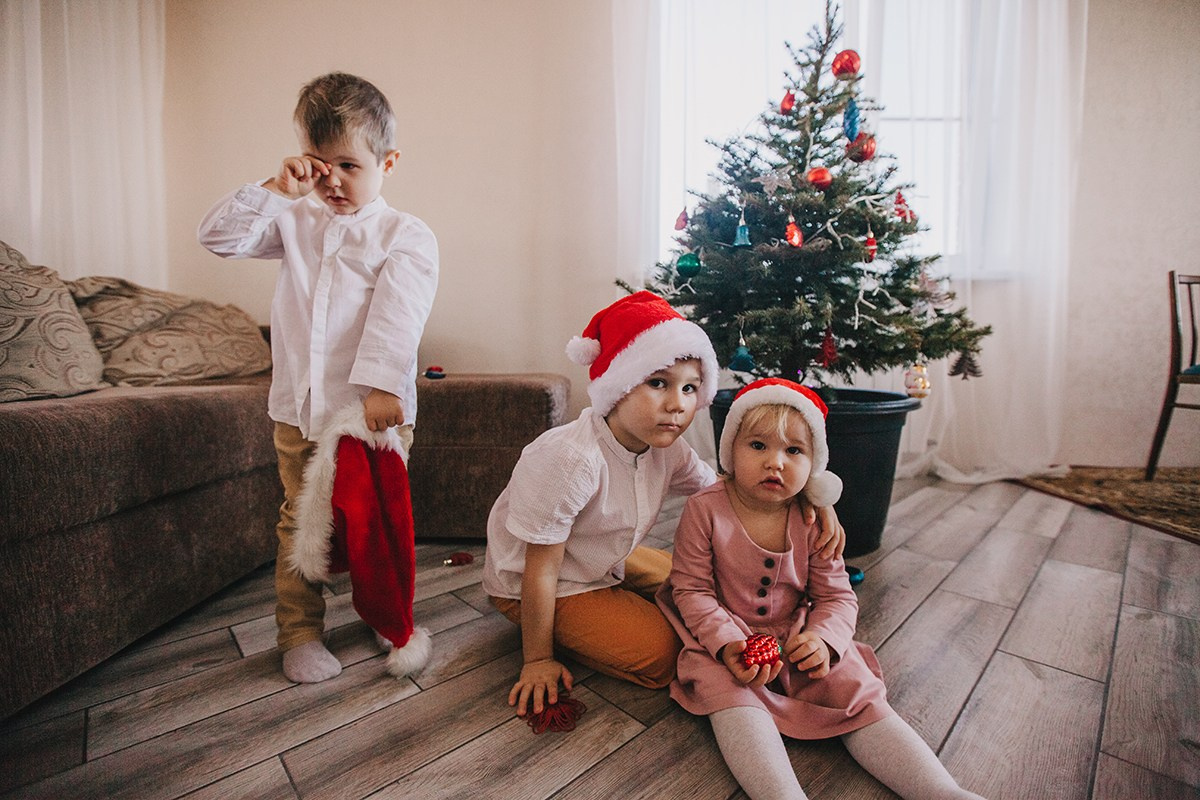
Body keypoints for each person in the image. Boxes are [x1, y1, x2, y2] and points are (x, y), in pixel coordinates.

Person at [482, 292, 846, 719]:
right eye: (658, 383)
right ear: (618, 385)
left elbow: (728, 488)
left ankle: (612, 604)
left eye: (690, 388)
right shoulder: (571, 459)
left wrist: (811, 497)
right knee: (667, 654)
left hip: (601, 559)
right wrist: (538, 660)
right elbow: (540, 568)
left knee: (701, 588)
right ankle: (550, 631)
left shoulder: (668, 449)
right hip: (543, 580)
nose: (678, 404)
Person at [197, 72, 438, 684]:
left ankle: (385, 612)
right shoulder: (295, 218)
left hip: (370, 414)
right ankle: (300, 631)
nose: (332, 181)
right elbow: (218, 237)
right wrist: (277, 189)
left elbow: (399, 315)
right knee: (300, 521)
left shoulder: (405, 235)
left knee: (375, 520)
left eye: (349, 167)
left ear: (388, 162)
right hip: (298, 410)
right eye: (320, 165)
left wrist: (382, 387)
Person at [656, 378, 985, 800]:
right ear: (730, 451)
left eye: (794, 451)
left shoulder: (813, 519)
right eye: (757, 446)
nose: (775, 462)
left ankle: (941, 791)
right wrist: (725, 643)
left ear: (814, 465)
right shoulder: (704, 509)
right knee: (729, 692)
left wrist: (823, 640)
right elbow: (692, 590)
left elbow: (836, 596)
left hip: (796, 633)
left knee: (853, 686)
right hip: (724, 633)